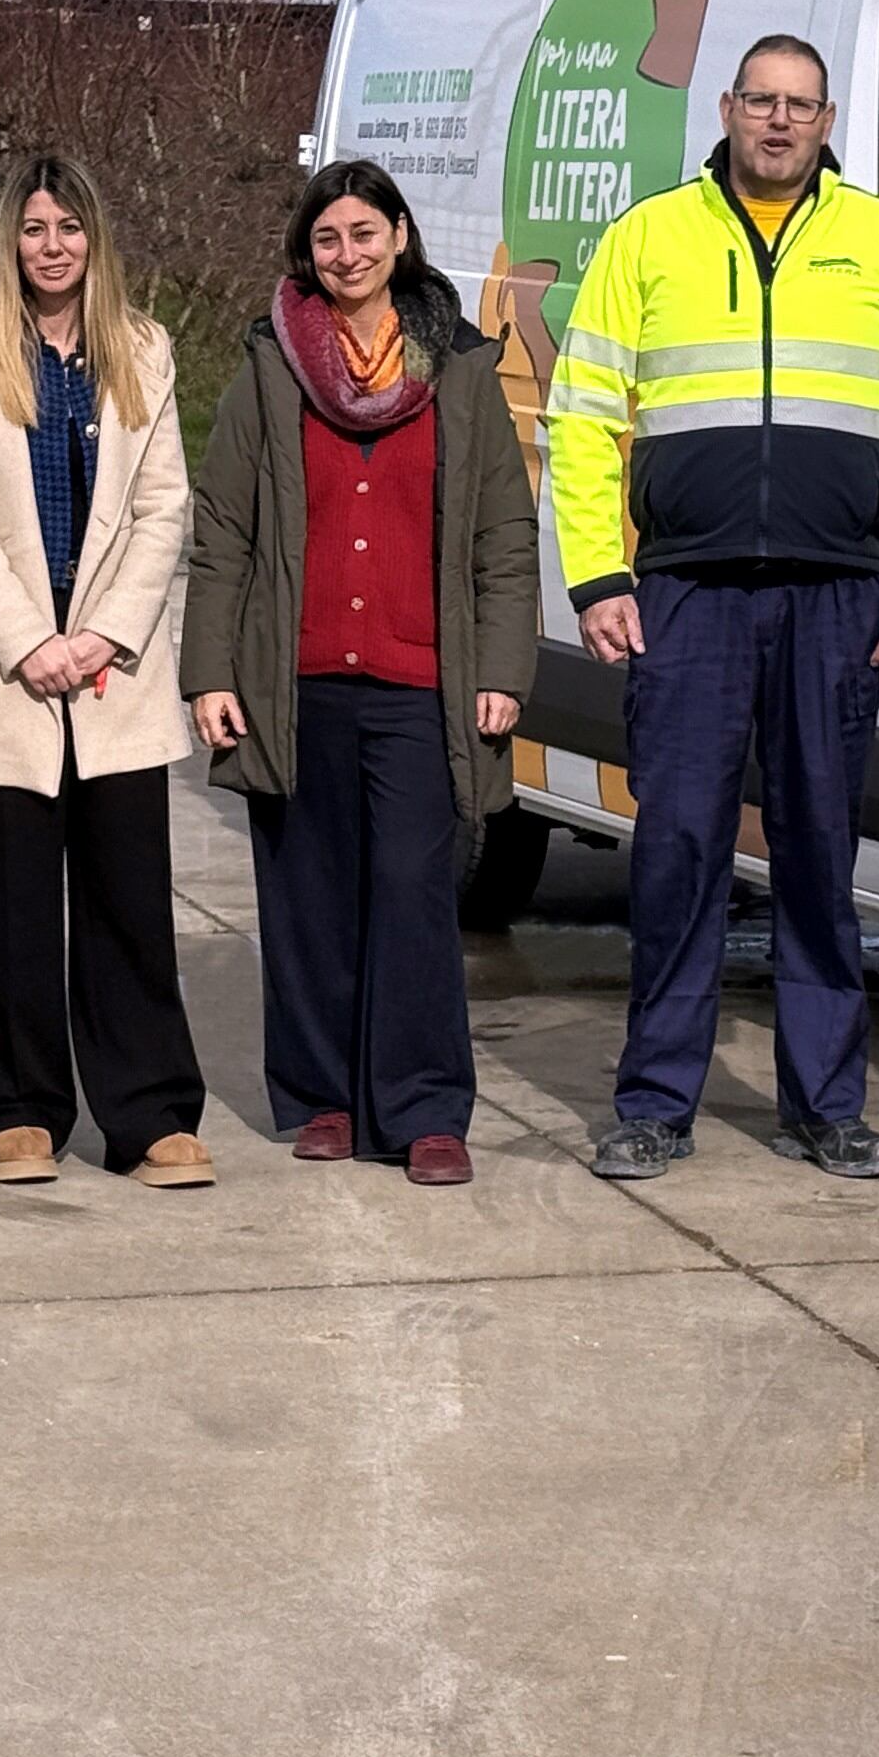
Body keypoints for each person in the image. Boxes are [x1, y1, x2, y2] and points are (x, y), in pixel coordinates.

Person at [548, 32, 879, 1184]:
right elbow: (582, 415)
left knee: (819, 853)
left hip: (837, 595)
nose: (780, 122)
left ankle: (826, 1106)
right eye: (761, 101)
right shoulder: (650, 236)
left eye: (802, 106)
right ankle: (654, 1105)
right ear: (730, 108)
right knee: (679, 851)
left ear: (828, 121)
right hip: (686, 593)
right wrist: (599, 576)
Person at [184, 159, 536, 1187]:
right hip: (294, 680)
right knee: (307, 897)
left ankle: (424, 1108)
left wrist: (504, 669)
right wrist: (212, 672)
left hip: (422, 681)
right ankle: (325, 1096)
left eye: (364, 234)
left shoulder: (461, 367)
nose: (347, 254)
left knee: (415, 896)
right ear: (309, 252)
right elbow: (224, 534)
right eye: (328, 239)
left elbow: (505, 539)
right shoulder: (270, 366)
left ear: (400, 238)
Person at [0, 154, 214, 1189]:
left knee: (130, 903)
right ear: (9, 237)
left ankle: (150, 1117)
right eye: (35, 226)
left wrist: (105, 634)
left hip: (111, 672)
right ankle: (16, 1112)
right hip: (1, 674)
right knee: (6, 908)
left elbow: (166, 506)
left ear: (96, 239)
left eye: (71, 226)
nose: (52, 245)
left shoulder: (143, 350)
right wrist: (28, 641)